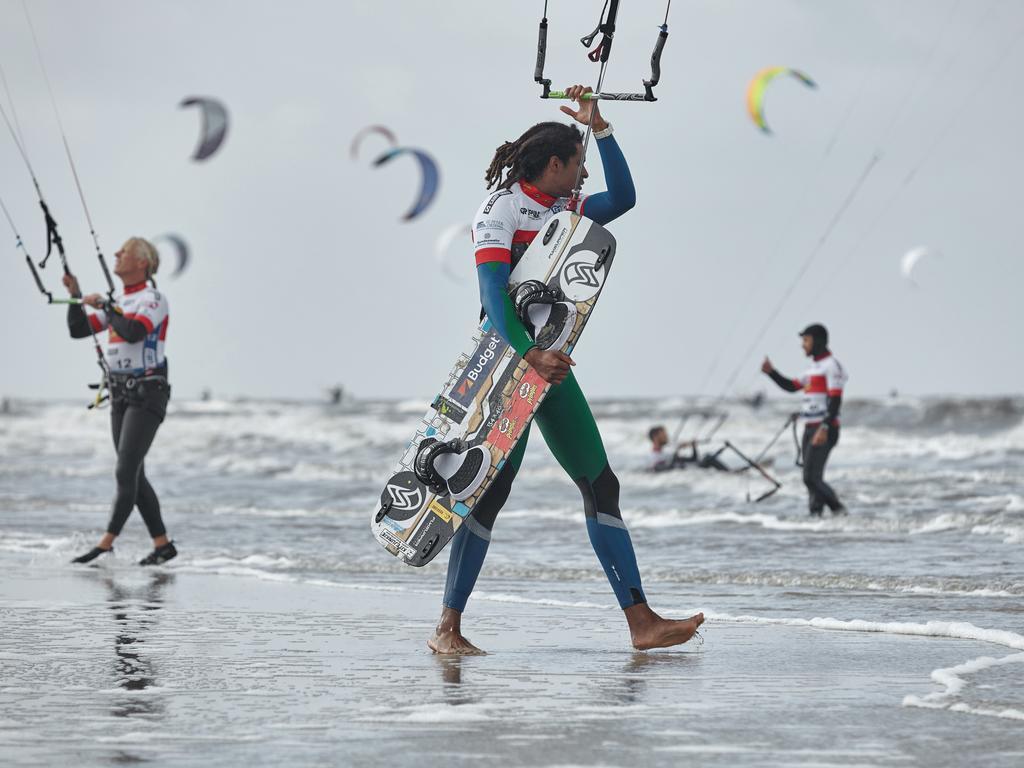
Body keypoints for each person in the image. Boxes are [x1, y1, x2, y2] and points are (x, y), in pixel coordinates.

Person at [429, 85, 704, 655]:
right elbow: (492, 295)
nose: (583, 176)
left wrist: (599, 128)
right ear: (553, 164)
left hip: (550, 368)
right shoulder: (498, 212)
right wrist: (528, 354)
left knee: (601, 483)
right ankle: (447, 629)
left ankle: (641, 622)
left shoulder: (566, 209)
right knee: (488, 492)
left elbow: (624, 197)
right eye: (577, 164)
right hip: (505, 367)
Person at [63, 237, 177, 565]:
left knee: (125, 469)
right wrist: (75, 296)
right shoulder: (117, 304)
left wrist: (106, 308)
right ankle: (162, 545)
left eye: (124, 251)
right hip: (121, 395)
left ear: (142, 262)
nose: (116, 254)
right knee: (134, 474)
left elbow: (133, 332)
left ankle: (105, 543)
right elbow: (78, 329)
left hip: (147, 392)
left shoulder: (152, 299)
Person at [761, 323, 848, 516]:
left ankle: (839, 511)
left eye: (806, 340)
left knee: (810, 478)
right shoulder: (813, 368)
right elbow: (792, 386)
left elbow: (835, 400)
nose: (803, 345)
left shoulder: (832, 366)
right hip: (810, 427)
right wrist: (772, 373)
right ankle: (815, 521)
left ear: (818, 341)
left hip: (824, 428)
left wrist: (824, 428)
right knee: (813, 480)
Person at [647, 425, 728, 472]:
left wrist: (693, 447)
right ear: (655, 437)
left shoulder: (666, 453)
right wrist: (677, 450)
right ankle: (729, 473)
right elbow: (667, 467)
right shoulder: (654, 456)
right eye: (664, 435)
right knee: (708, 458)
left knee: (707, 456)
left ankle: (728, 473)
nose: (666, 437)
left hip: (691, 469)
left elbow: (694, 459)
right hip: (688, 472)